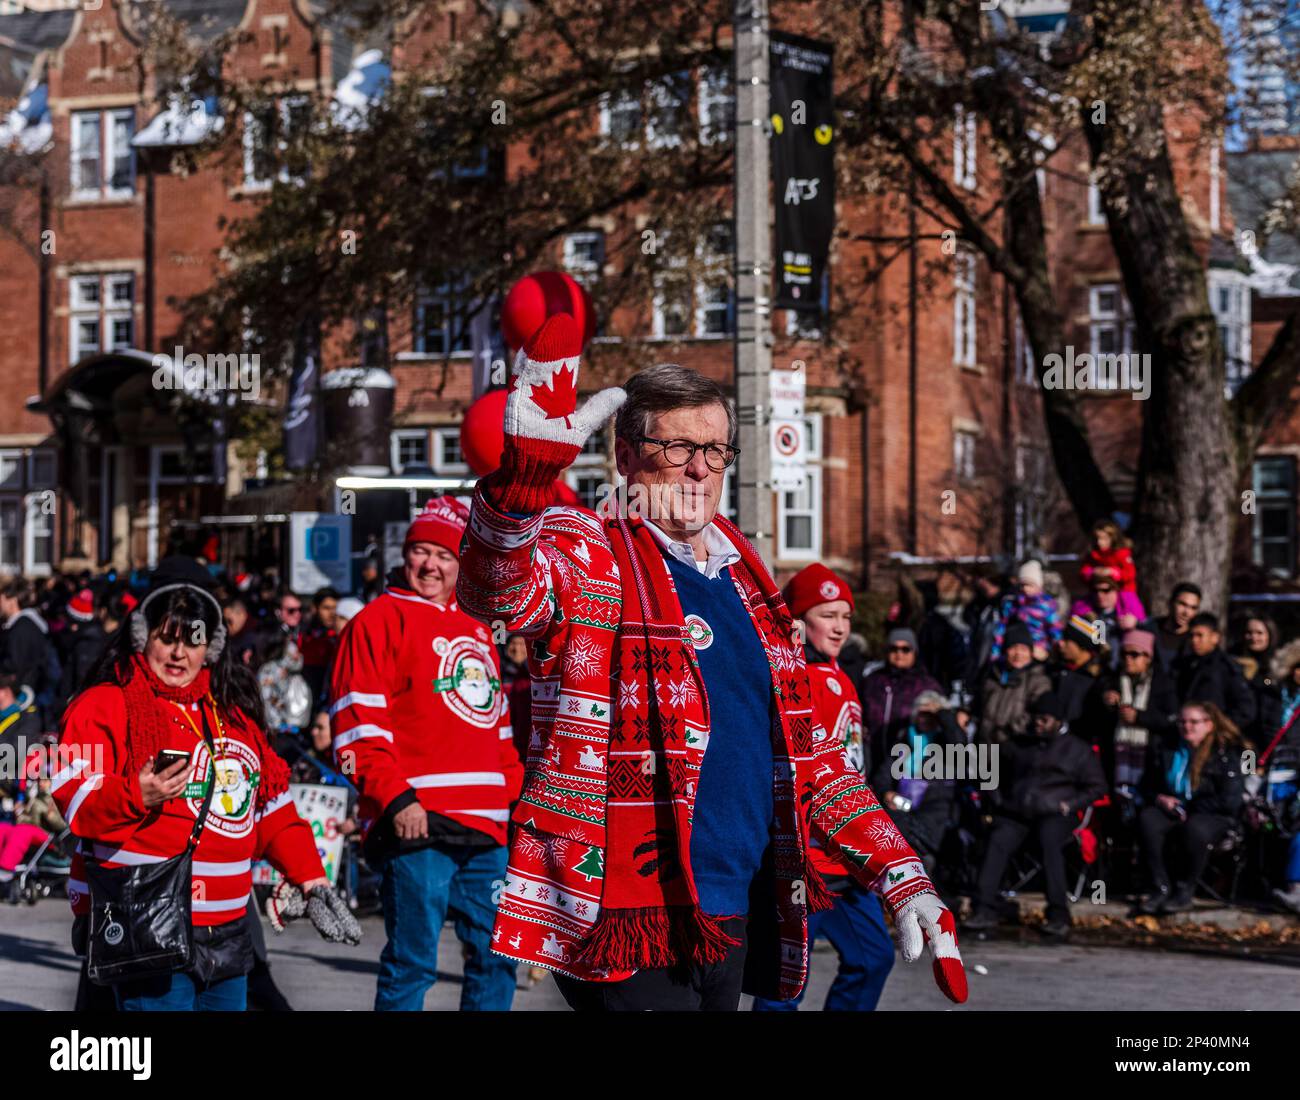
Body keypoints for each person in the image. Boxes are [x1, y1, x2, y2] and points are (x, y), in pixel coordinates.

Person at [457, 314, 967, 1010]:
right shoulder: (588, 548)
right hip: (627, 910)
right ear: (627, 457)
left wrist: (902, 874)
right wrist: (524, 486)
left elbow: (812, 755)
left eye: (716, 450)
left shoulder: (749, 581)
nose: (701, 467)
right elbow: (498, 590)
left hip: (739, 903)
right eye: (677, 448)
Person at [53, 555, 359, 1011]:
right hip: (149, 923)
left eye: (192, 641)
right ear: (142, 637)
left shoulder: (233, 713)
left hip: (229, 930)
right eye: (166, 638)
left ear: (211, 646)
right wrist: (138, 794)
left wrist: (310, 877)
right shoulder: (105, 705)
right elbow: (76, 801)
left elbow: (270, 807)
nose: (179, 654)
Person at [330, 497, 522, 1012]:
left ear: (463, 562)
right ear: (404, 556)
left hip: (487, 832)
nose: (430, 565)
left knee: (496, 959)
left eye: (443, 554)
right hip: (418, 824)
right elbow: (354, 728)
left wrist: (514, 799)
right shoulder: (375, 622)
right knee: (412, 965)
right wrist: (395, 799)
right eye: (420, 551)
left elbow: (498, 727)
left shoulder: (479, 628)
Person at [753, 563, 895, 1012]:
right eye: (826, 615)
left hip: (847, 854)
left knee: (874, 958)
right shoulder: (797, 675)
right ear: (798, 620)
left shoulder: (843, 676)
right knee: (787, 983)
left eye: (845, 616)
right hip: (805, 857)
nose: (839, 626)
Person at [965, 692, 1107, 939]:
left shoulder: (1077, 749)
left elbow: (1097, 787)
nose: (1038, 724)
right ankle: (984, 909)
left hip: (1056, 812)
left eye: (1044, 720)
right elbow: (988, 767)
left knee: (1049, 841)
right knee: (998, 839)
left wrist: (1070, 804)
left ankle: (1058, 914)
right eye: (1035, 718)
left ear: (1058, 720)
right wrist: (996, 798)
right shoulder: (1021, 744)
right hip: (1017, 811)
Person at [1135, 702, 1245, 915]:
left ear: (1209, 725)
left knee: (1195, 828)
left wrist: (1189, 808)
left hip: (1213, 815)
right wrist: (1160, 798)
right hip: (1175, 810)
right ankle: (1160, 887)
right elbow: (1146, 785)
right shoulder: (1167, 749)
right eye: (1182, 722)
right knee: (1149, 819)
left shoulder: (1227, 753)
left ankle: (1184, 890)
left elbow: (1230, 800)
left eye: (1194, 722)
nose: (1187, 727)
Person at [872, 690, 965, 871]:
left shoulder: (945, 742)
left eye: (930, 715)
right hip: (903, 805)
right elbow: (883, 774)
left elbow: (959, 743)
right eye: (921, 714)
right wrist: (886, 792)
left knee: (922, 842)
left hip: (936, 806)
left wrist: (942, 713)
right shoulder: (904, 739)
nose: (925, 719)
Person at [1089, 629, 1178, 808]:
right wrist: (1106, 702)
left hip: (1151, 756)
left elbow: (1171, 719)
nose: (1128, 659)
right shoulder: (1111, 681)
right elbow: (1095, 718)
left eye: (1134, 654)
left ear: (1148, 657)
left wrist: (1140, 717)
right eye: (1124, 653)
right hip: (1115, 757)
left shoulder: (1164, 683)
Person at [861, 627, 943, 777]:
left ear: (914, 652)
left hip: (907, 763)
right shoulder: (872, 681)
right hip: (870, 756)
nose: (899, 654)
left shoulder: (927, 685)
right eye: (894, 648)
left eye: (905, 649)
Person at [1173, 613, 1256, 733]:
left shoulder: (1226, 668)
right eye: (1191, 635)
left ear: (1215, 637)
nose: (1194, 640)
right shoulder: (1187, 665)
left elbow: (1245, 710)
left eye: (1200, 635)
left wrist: (1218, 728)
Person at [977, 621, 1052, 743]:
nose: (1018, 654)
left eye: (1023, 649)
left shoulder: (1039, 681)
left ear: (1031, 653)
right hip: (984, 745)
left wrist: (1007, 732)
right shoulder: (993, 674)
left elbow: (1036, 716)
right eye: (1013, 648)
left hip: (1014, 747)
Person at [0, 578, 52, 725]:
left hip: (22, 699)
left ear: (12, 600)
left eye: (1, 599)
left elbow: (15, 665)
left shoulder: (22, 629)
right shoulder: (25, 625)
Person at [989, 559, 1061, 664]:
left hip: (1038, 647)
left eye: (1030, 585)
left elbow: (1055, 628)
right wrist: (996, 651)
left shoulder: (1046, 605)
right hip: (1016, 647)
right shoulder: (1012, 604)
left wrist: (1052, 649)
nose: (1025, 588)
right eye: (1022, 585)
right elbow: (1001, 628)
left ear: (1039, 586)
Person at [1070, 577, 1146, 669]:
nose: (1100, 595)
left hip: (1122, 668)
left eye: (1106, 590)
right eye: (1095, 591)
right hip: (1094, 670)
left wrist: (1136, 623)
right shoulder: (1084, 615)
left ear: (1116, 591)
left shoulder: (1129, 614)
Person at [1231, 616, 1282, 750]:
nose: (1253, 637)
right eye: (1249, 632)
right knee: (1247, 769)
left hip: (1274, 737)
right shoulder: (1233, 662)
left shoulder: (1280, 665)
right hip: (1243, 737)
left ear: (1270, 635)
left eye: (1259, 633)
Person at [1051, 614, 1107, 728]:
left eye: (1067, 640)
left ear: (1082, 645)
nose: (1061, 643)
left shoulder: (1098, 678)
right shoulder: (1056, 671)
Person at [1138, 583, 1202, 676]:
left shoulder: (1196, 640)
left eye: (1193, 608)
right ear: (1171, 603)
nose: (1186, 612)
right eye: (1182, 604)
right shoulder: (1149, 629)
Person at [300, 588, 341, 705]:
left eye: (335, 608)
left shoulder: (341, 635)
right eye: (326, 608)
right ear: (315, 609)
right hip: (308, 691)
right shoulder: (304, 634)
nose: (332, 613)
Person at [1080, 518, 1138, 595]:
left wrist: (1112, 572)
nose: (1099, 542)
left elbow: (1130, 574)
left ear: (1112, 538)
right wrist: (1093, 571)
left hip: (1123, 591)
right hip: (1099, 592)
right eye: (1096, 538)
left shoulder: (1121, 553)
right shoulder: (1094, 554)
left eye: (1104, 538)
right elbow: (1084, 571)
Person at [221, 596, 262, 669]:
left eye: (229, 621)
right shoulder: (234, 636)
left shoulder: (255, 637)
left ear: (242, 615)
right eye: (224, 622)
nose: (226, 626)